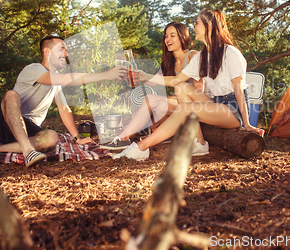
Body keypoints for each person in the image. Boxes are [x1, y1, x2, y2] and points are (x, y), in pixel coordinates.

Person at [113, 9, 265, 161]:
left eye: (197, 23)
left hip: (232, 109)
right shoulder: (202, 56)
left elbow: (239, 89)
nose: (193, 28)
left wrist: (247, 124)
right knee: (181, 86)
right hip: (214, 103)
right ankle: (199, 142)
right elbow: (176, 79)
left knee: (184, 107)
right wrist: (145, 76)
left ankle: (142, 147)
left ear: (209, 26)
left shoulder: (231, 53)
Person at [0, 36, 126, 167]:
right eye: (61, 49)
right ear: (47, 52)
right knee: (11, 95)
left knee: (52, 137)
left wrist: (77, 138)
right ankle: (28, 152)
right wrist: (107, 75)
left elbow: (64, 109)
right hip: (5, 123)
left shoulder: (56, 79)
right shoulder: (33, 69)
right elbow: (67, 79)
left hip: (29, 129)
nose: (66, 54)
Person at [100, 22, 201, 150]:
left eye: (172, 35)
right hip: (179, 102)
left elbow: (198, 91)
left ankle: (130, 137)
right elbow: (154, 82)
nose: (168, 39)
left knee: (160, 103)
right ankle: (124, 138)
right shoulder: (170, 61)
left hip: (197, 104)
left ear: (183, 37)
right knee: (151, 99)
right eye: (166, 36)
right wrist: (139, 77)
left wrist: (168, 96)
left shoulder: (193, 56)